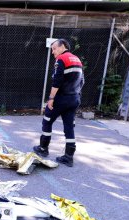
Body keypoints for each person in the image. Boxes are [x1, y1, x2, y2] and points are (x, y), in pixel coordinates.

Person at [33, 38, 84, 167]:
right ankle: (68, 156)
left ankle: (43, 148)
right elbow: (82, 81)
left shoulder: (61, 60)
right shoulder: (77, 60)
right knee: (69, 126)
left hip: (61, 99)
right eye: (52, 49)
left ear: (63, 47)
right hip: (74, 98)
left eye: (54, 48)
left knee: (47, 120)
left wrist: (51, 98)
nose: (53, 52)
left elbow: (57, 81)